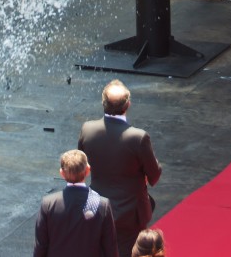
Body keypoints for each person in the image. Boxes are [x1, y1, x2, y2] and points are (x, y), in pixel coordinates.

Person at [79, 79, 162, 257]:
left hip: (96, 207)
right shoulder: (138, 137)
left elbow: (82, 165)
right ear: (128, 105)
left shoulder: (87, 129)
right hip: (129, 212)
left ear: (103, 103)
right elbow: (154, 176)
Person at [33, 149, 117, 257]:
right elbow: (110, 248)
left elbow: (41, 246)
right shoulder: (102, 204)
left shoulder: (48, 203)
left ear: (62, 173)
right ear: (88, 170)